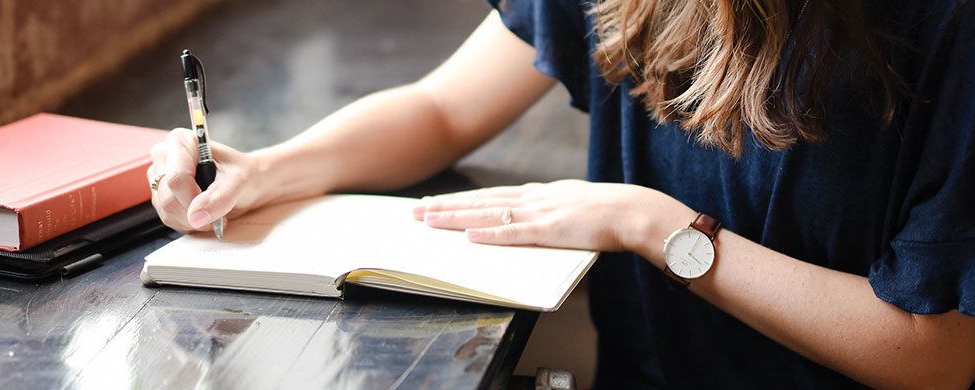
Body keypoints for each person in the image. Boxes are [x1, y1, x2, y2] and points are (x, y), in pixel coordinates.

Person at [147, 0, 975, 387]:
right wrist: (267, 170)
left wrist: (653, 225)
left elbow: (935, 352)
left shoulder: (946, 31)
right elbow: (443, 107)